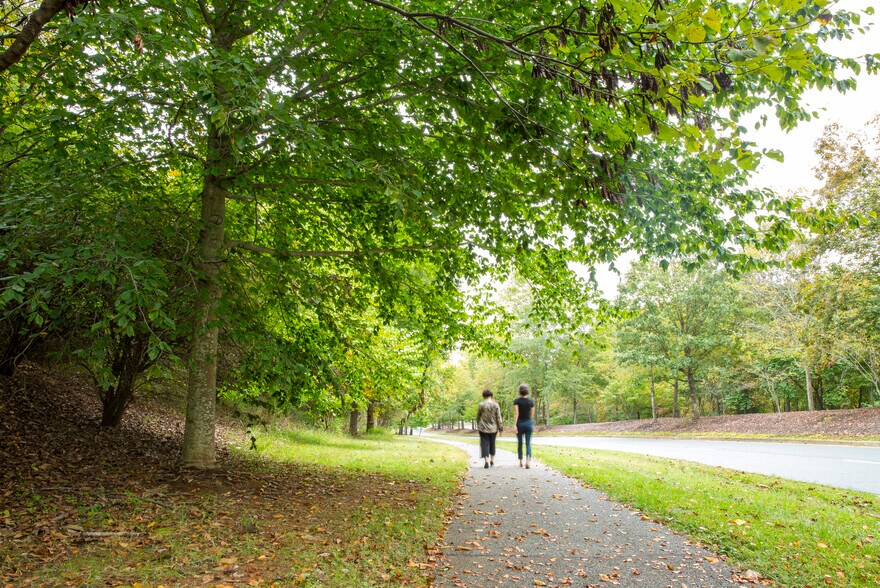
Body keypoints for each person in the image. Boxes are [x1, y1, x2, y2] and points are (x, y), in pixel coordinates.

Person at [476, 389, 504, 468]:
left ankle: (486, 460)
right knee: (492, 443)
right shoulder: (495, 405)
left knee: (484, 444)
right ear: (491, 395)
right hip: (493, 428)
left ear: (484, 396)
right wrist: (500, 428)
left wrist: (478, 424)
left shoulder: (481, 405)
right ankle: (492, 460)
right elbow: (498, 417)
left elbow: (478, 416)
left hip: (483, 428)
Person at [513, 383, 535, 468]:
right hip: (528, 423)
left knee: (520, 443)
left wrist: (515, 425)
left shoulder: (517, 401)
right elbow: (532, 414)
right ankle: (528, 462)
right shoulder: (531, 401)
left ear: (520, 391)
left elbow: (516, 413)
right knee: (528, 443)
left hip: (519, 424)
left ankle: (520, 462)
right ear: (527, 391)